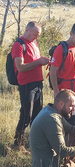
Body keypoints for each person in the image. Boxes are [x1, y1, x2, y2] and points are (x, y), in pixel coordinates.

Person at [11, 21, 50, 149]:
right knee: (26, 114)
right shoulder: (19, 45)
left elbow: (34, 61)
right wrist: (39, 61)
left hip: (38, 83)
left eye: (38, 35)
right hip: (26, 84)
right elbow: (20, 67)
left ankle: (34, 143)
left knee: (38, 115)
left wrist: (42, 62)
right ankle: (18, 143)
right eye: (35, 34)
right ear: (27, 30)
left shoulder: (34, 42)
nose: (36, 37)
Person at [49, 23, 75, 127]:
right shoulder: (61, 49)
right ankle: (68, 143)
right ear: (71, 34)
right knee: (69, 124)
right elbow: (53, 71)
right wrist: (56, 91)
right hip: (67, 94)